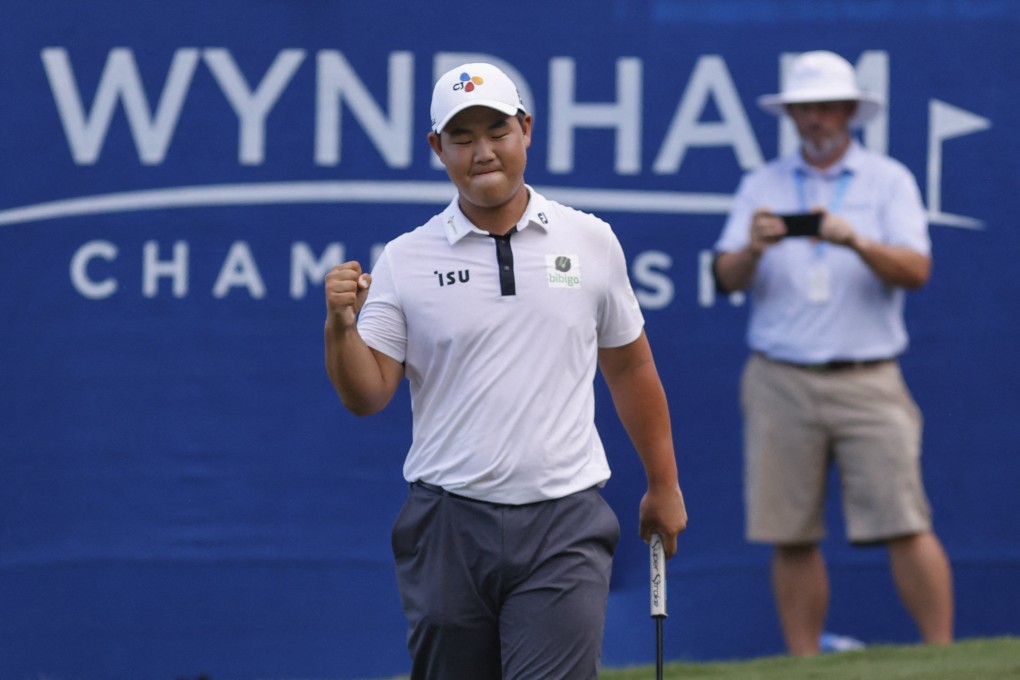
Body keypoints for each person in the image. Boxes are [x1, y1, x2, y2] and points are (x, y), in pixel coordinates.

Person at [324, 62, 688, 679]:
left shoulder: (590, 240)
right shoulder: (406, 259)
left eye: (497, 131)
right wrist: (339, 327)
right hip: (447, 522)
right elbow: (367, 395)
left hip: (564, 521)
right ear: (437, 148)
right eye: (462, 139)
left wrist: (664, 483)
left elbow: (630, 368)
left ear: (526, 130)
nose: (483, 152)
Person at [713, 51, 953, 656]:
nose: (815, 119)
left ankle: (949, 657)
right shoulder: (761, 183)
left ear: (850, 112)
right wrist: (754, 248)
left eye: (826, 108)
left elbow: (916, 270)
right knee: (789, 533)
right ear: (791, 115)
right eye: (804, 109)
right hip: (779, 377)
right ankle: (803, 663)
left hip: (869, 375)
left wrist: (855, 240)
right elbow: (725, 276)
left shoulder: (888, 180)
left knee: (906, 521)